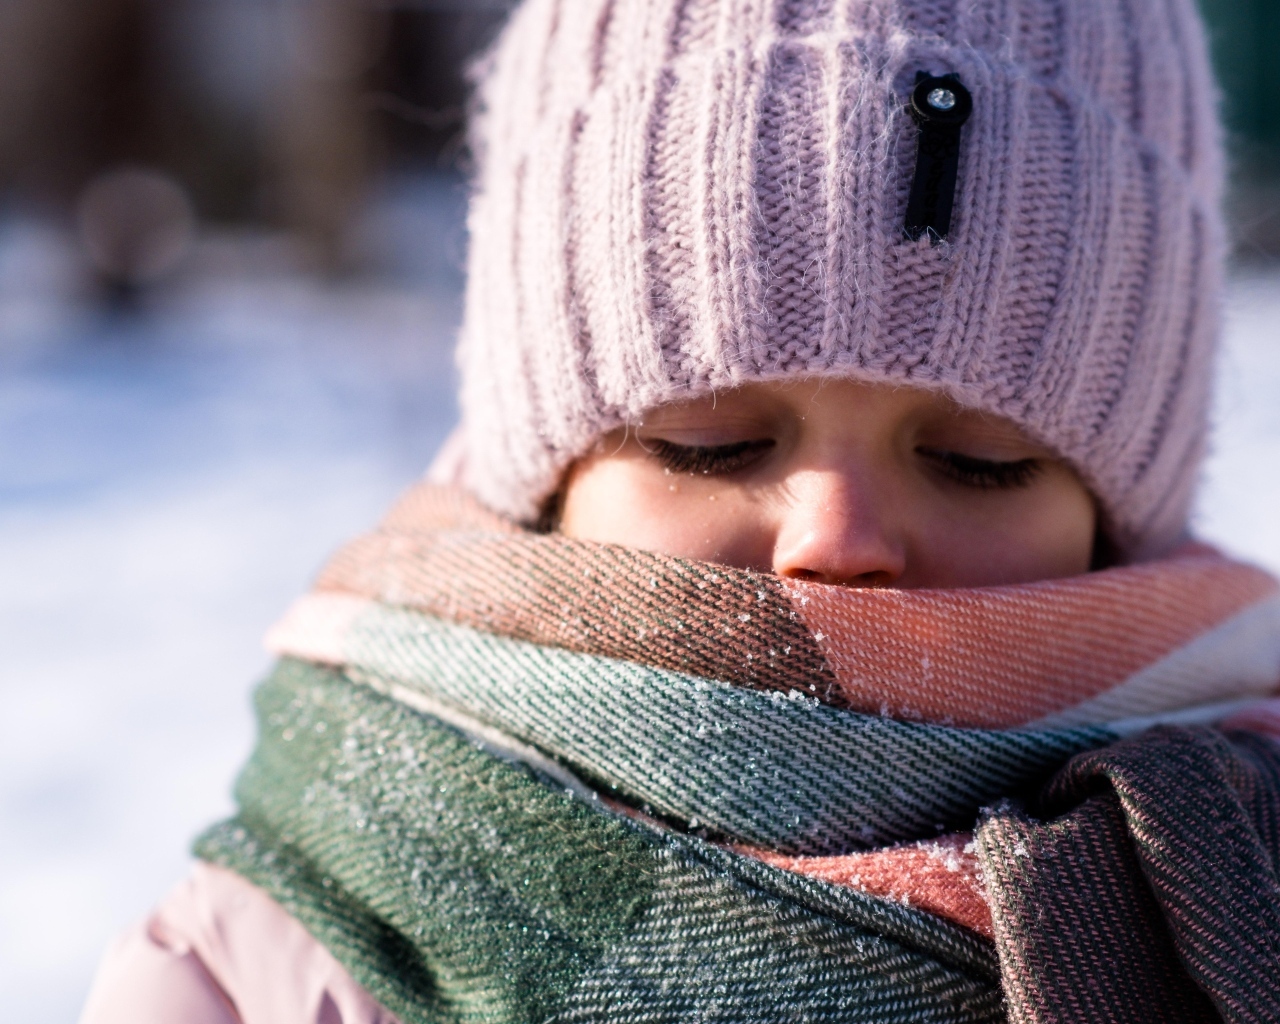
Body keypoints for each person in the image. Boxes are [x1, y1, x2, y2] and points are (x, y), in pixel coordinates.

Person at [80, 0, 1280, 1021]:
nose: (836, 535)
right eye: (708, 444)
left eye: (978, 458)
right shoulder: (263, 965)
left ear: (1117, 516)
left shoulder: (1240, 877)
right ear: (545, 478)